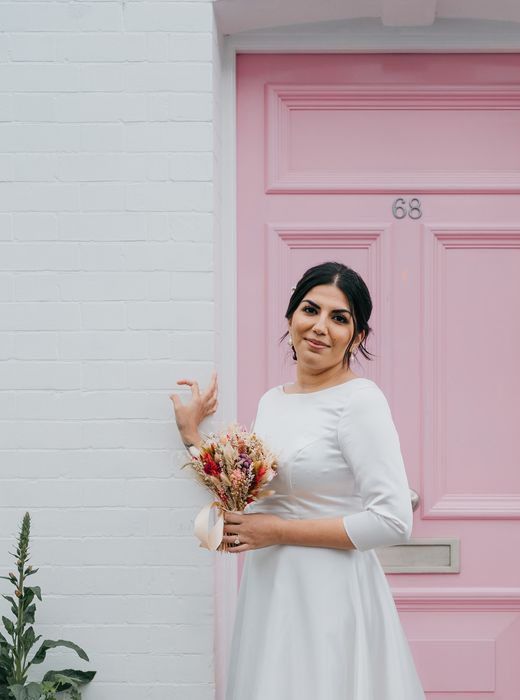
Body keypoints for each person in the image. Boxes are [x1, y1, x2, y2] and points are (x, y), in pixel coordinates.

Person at [169, 261, 426, 699]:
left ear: (357, 337)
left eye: (339, 318)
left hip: (329, 594)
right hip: (270, 589)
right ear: (290, 317)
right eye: (310, 310)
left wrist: (278, 531)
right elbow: (251, 492)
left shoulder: (360, 402)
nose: (320, 327)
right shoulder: (273, 401)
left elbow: (393, 519)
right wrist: (193, 435)